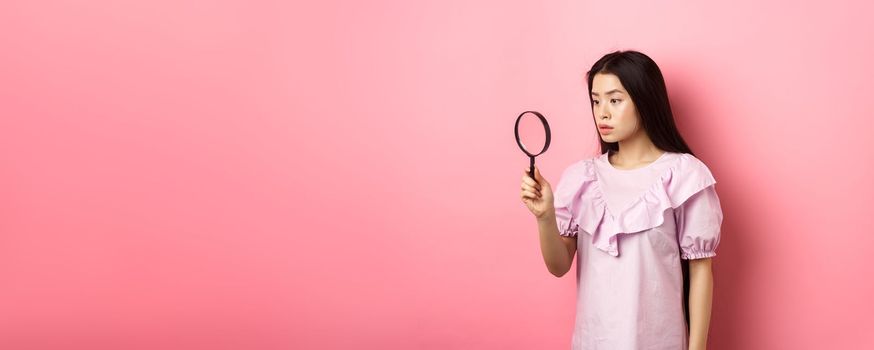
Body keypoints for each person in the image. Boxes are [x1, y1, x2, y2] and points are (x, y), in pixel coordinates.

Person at [520, 50, 723, 350]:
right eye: (596, 100)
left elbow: (701, 271)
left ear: (645, 100)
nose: (602, 112)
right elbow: (559, 266)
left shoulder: (684, 176)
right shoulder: (581, 178)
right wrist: (545, 216)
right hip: (593, 341)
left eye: (615, 100)